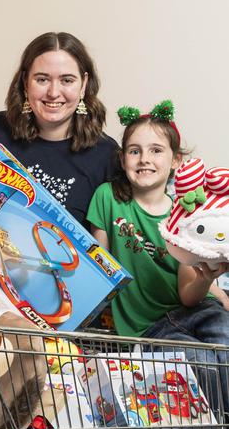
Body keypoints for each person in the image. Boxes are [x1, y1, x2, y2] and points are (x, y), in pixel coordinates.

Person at [0, 32, 118, 314]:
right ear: (25, 82)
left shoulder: (105, 154)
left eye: (67, 80)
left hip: (58, 314)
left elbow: (111, 245)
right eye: (42, 79)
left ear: (83, 85)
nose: (53, 92)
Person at [86, 101, 229, 408]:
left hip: (195, 308)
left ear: (176, 160)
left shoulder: (185, 217)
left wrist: (209, 282)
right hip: (151, 327)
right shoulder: (108, 198)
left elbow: (188, 296)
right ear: (123, 159)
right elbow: (100, 266)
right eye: (134, 151)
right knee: (204, 364)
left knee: (225, 348)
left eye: (156, 150)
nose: (144, 159)